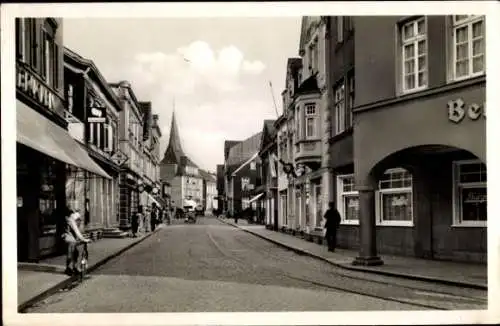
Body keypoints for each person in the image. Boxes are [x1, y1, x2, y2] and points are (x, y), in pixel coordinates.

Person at [62, 207, 90, 276]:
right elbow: (76, 231)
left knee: (75, 253)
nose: (79, 221)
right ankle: (69, 268)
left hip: (70, 239)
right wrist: (84, 239)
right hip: (69, 239)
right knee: (71, 254)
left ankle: (72, 268)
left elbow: (77, 231)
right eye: (78, 220)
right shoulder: (71, 220)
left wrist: (82, 238)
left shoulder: (70, 220)